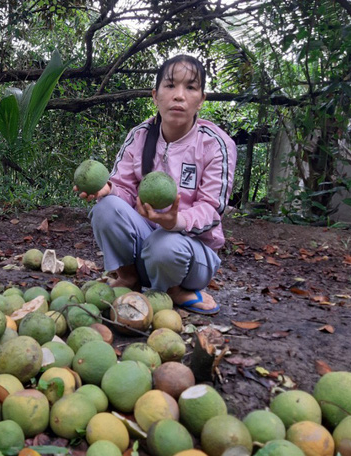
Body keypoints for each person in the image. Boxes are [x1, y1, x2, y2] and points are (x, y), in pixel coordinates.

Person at [76, 55, 237, 315]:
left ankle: (174, 291)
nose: (179, 96)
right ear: (155, 95)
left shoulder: (215, 144)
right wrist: (108, 190)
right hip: (144, 249)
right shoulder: (139, 136)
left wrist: (175, 222)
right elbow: (124, 189)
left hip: (190, 256)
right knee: (106, 207)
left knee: (165, 244)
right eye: (170, 86)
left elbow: (212, 210)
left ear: (201, 100)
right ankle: (129, 277)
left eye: (191, 87)